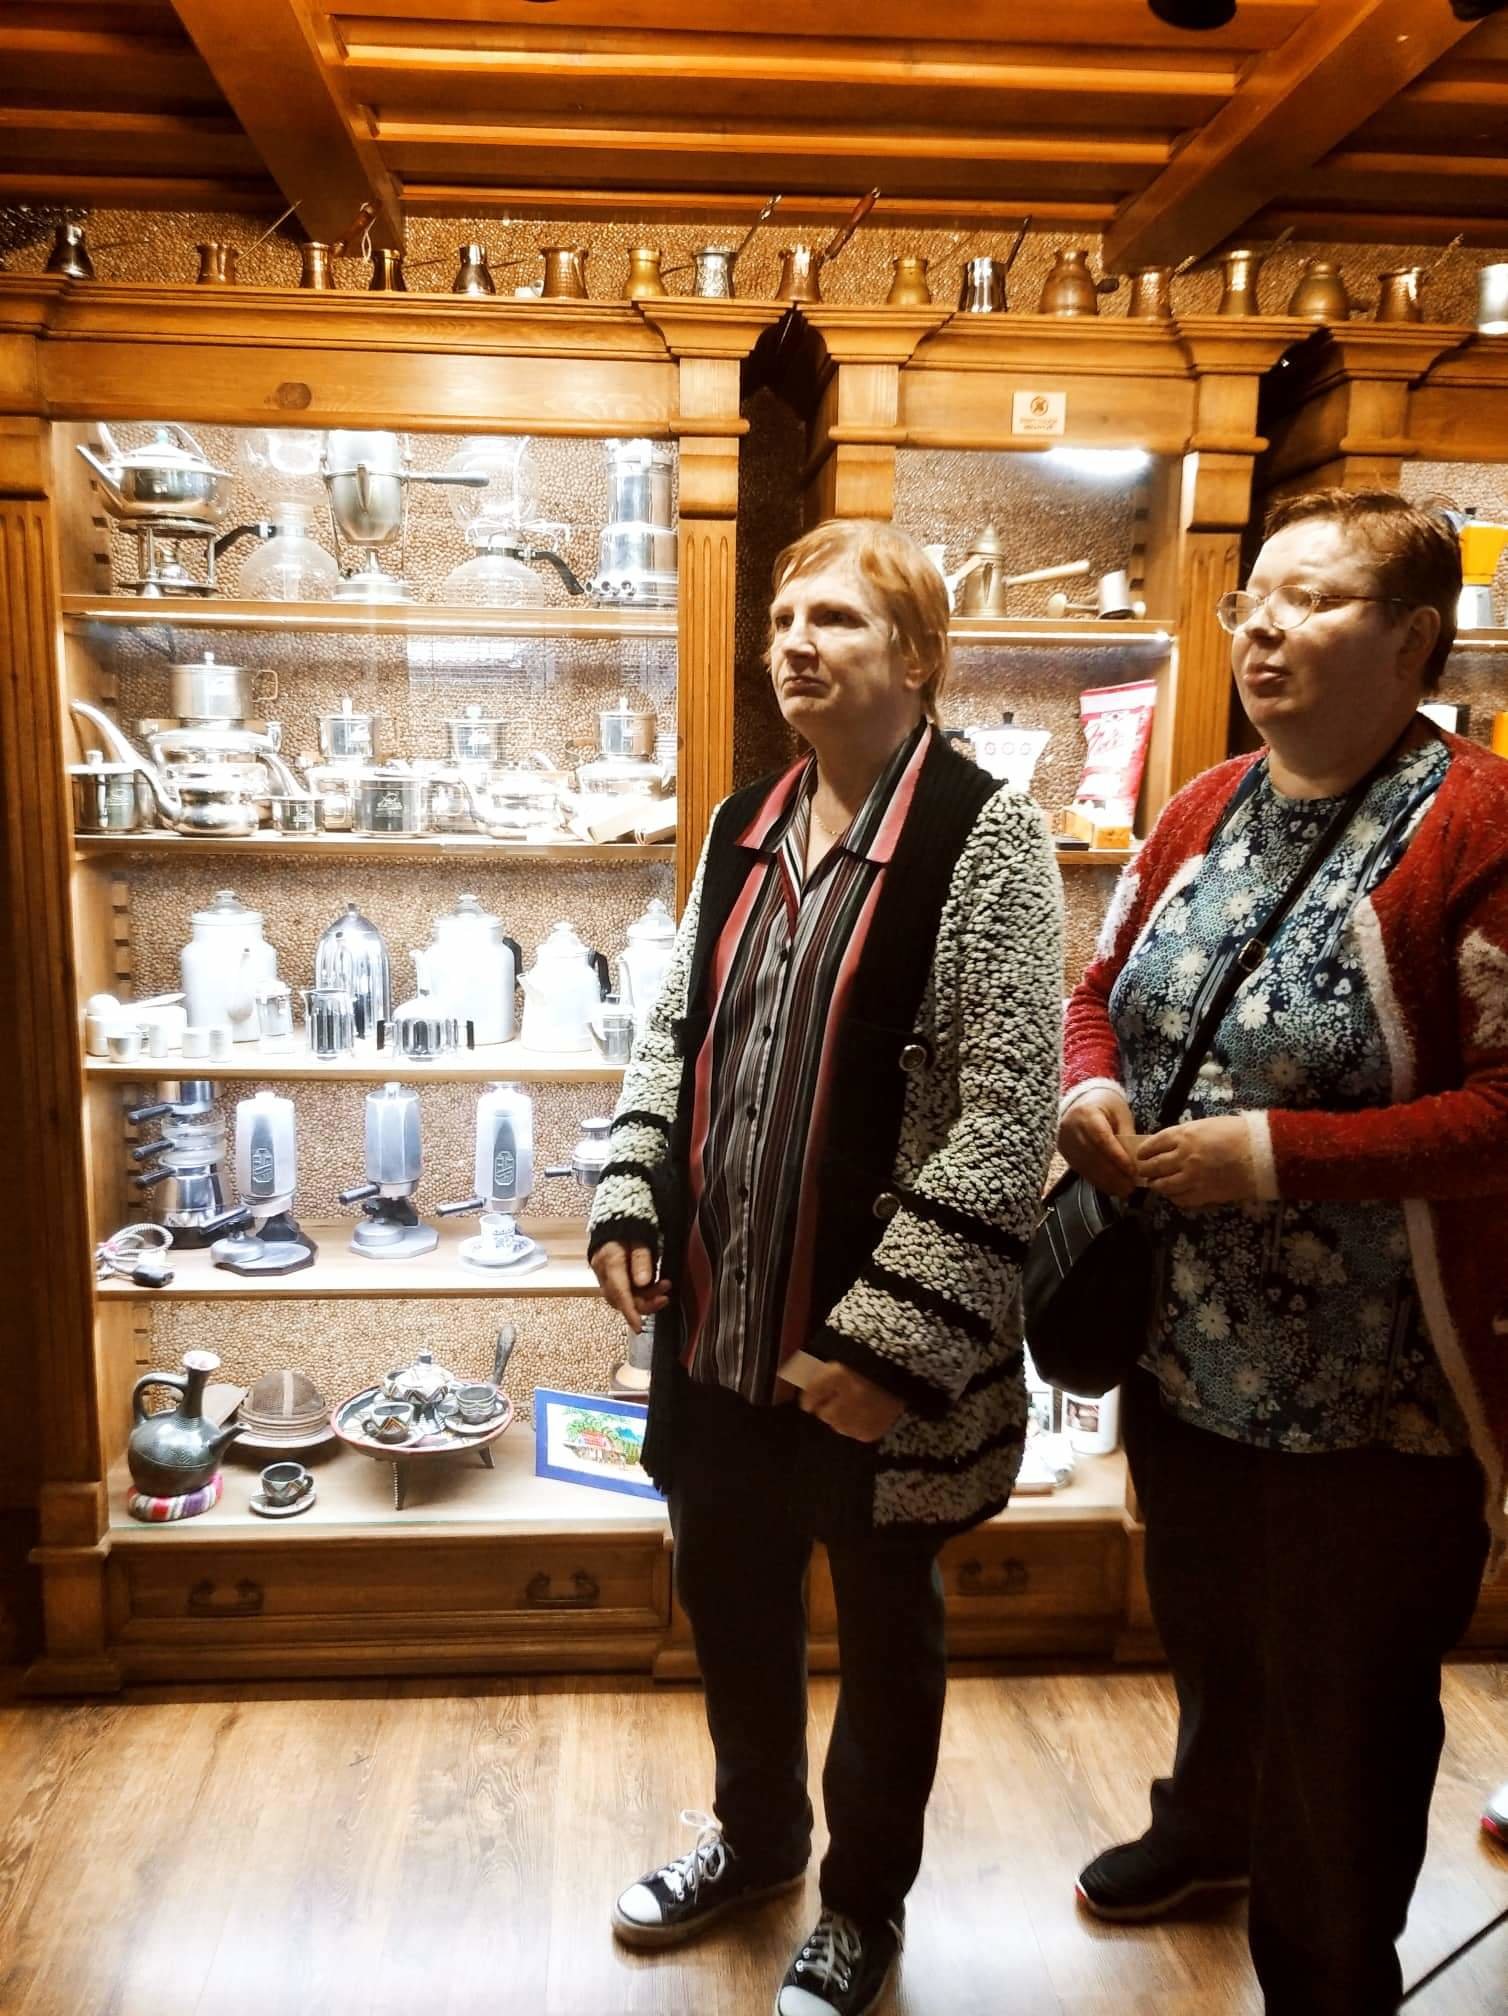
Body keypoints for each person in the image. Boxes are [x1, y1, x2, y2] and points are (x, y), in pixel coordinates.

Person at [587, 518, 1062, 2016]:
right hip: (722, 1325)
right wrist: (630, 1191)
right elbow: (675, 1032)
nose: (797, 642)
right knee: (731, 1610)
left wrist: (886, 1346)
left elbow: (1009, 1110)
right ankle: (756, 1845)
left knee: (886, 1638)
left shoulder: (986, 835)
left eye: (839, 619)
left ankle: (862, 1909)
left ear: (916, 656)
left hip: (872, 1358)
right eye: (786, 618)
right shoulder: (744, 821)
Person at [1059, 488, 1508, 2015]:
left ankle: (1327, 1975)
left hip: (1382, 1400)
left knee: (1346, 1714)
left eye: (1313, 601)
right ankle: (1211, 1828)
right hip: (1189, 1356)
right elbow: (1099, 989)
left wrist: (1270, 1156)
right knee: (1216, 1637)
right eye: (1255, 598)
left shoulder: (1481, 826)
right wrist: (1092, 1089)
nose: (1263, 628)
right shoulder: (1203, 807)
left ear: (1415, 639)